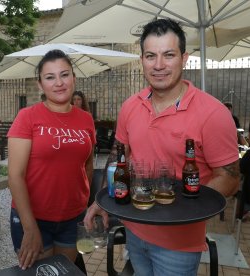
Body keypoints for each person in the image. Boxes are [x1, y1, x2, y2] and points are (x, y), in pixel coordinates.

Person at [84, 18, 240, 275]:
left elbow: (230, 179)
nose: (158, 65)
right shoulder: (130, 106)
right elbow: (117, 156)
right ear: (142, 60)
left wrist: (181, 209)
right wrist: (101, 202)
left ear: (184, 58)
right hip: (134, 229)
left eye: (168, 55)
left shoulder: (213, 113)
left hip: (179, 244)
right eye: (150, 56)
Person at [8, 49, 96, 270]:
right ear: (40, 84)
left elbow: (88, 164)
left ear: (73, 78)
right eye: (50, 77)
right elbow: (15, 176)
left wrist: (83, 202)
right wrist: (30, 228)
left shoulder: (85, 119)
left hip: (73, 217)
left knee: (65, 271)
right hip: (33, 217)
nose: (59, 83)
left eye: (64, 75)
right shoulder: (27, 117)